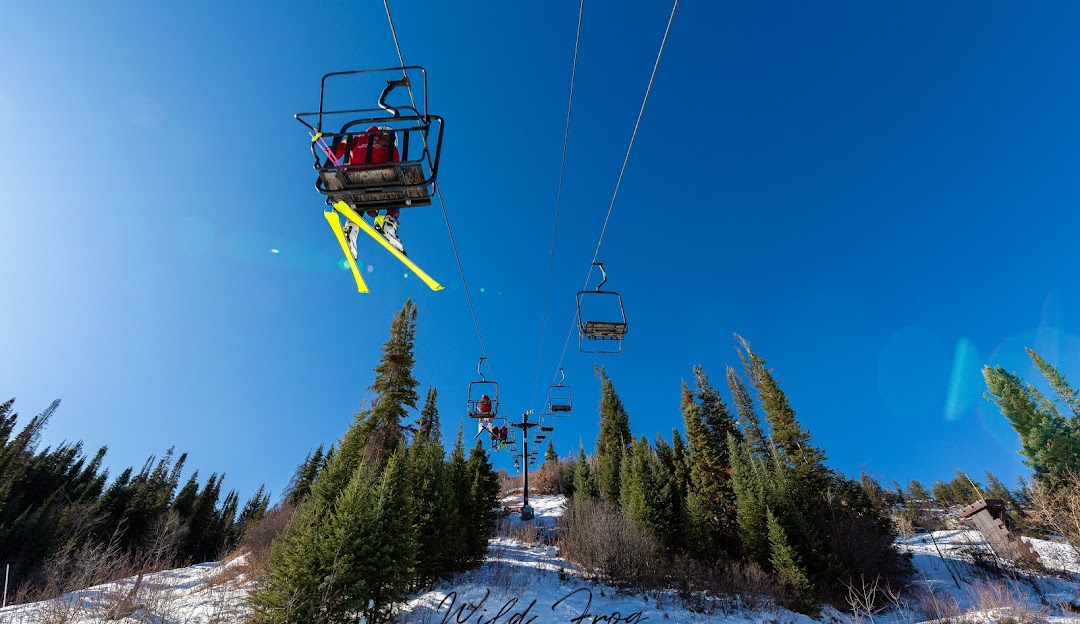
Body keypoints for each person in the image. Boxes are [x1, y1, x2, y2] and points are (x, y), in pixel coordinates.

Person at [336, 125, 406, 256]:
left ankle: (351, 229)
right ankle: (389, 226)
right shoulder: (391, 148)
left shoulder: (359, 138)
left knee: (358, 198)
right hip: (380, 182)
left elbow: (340, 147)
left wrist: (328, 152)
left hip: (353, 180)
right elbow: (395, 171)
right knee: (398, 192)